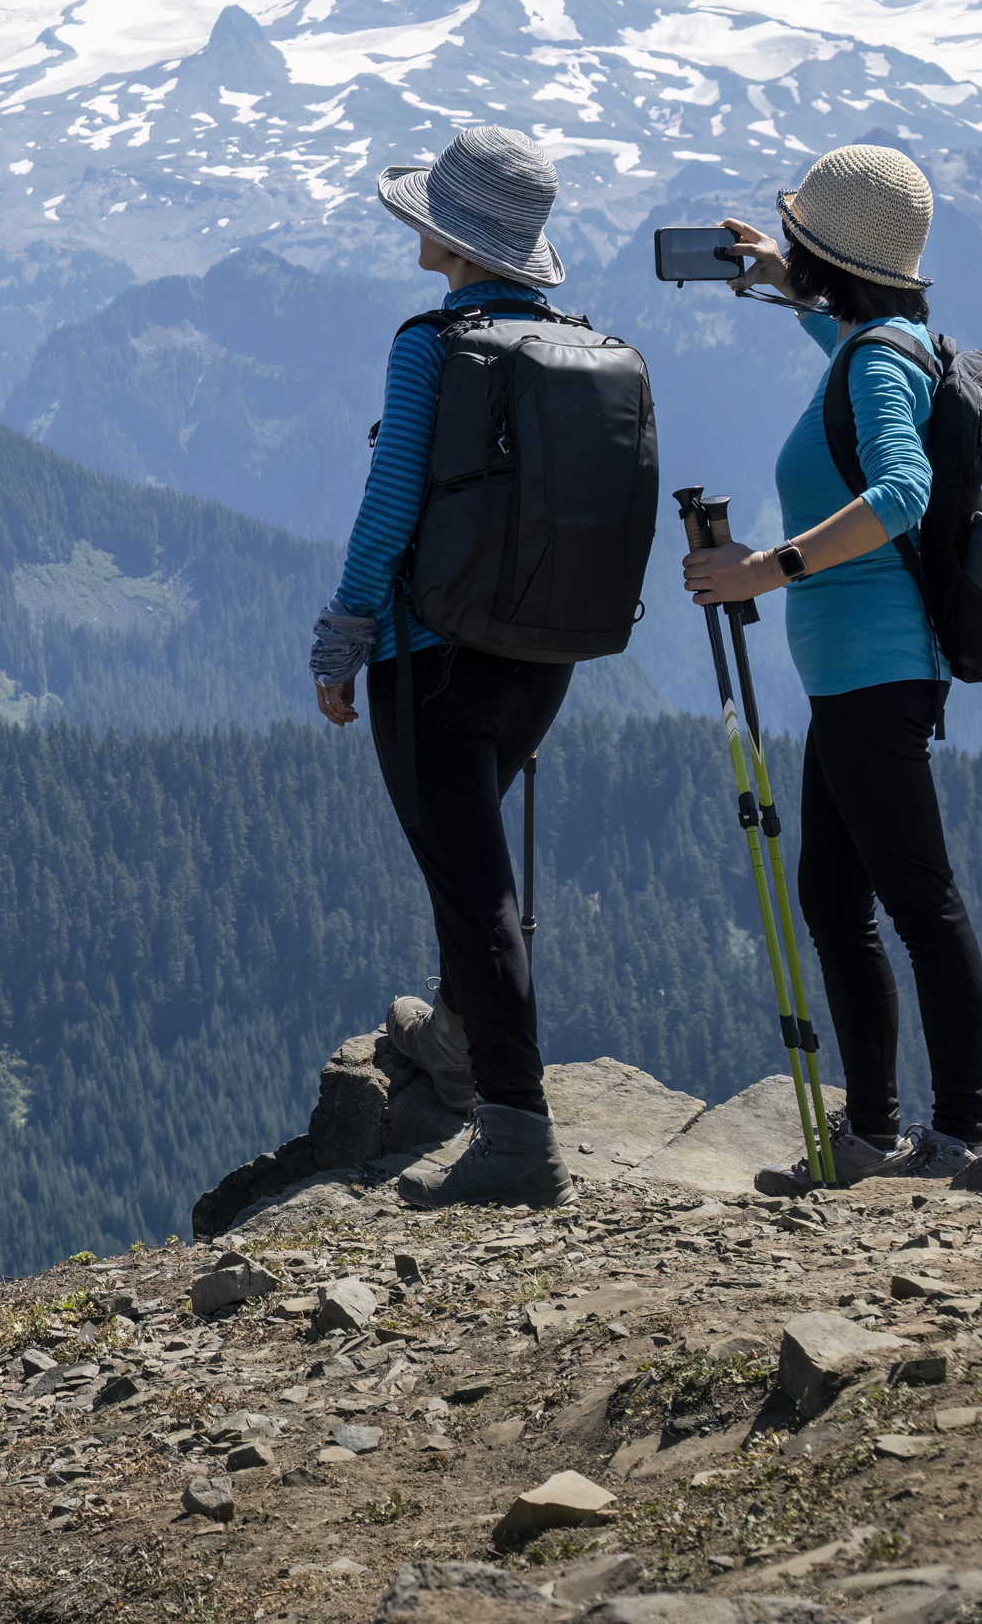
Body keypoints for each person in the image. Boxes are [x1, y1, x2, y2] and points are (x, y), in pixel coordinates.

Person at [676, 143, 982, 1186]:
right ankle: (874, 1133)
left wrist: (769, 568)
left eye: (799, 241)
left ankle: (950, 1139)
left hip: (874, 669)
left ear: (829, 255)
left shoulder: (873, 362)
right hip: (854, 675)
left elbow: (899, 489)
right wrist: (780, 282)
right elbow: (853, 338)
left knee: (915, 903)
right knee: (833, 899)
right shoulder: (879, 339)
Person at [308, 125, 576, 1208]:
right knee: (465, 859)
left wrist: (344, 632)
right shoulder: (565, 346)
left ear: (448, 236)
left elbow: (389, 507)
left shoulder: (430, 346)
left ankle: (512, 1130)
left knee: (475, 891)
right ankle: (457, 1027)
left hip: (433, 659)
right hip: (539, 655)